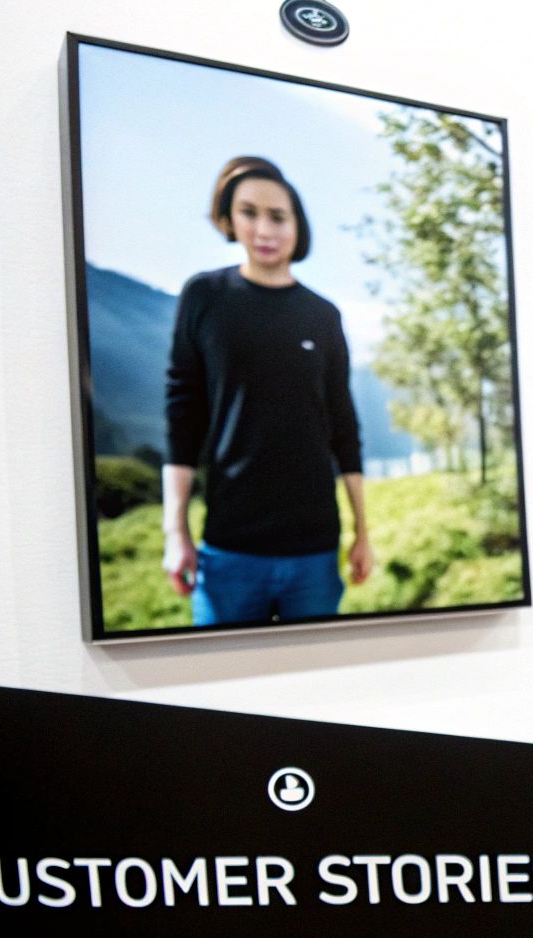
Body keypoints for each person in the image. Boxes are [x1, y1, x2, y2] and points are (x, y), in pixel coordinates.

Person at [162, 156, 372, 626]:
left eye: (278, 216)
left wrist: (362, 531)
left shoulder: (323, 315)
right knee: (218, 690)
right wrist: (175, 532)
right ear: (230, 220)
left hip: (315, 551)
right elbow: (182, 418)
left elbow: (344, 426)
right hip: (230, 548)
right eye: (249, 212)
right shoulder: (204, 298)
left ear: (297, 224)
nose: (264, 228)